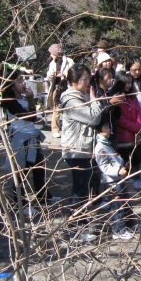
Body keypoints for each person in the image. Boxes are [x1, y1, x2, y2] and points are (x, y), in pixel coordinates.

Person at [59, 64, 104, 243]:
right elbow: (95, 118)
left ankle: (79, 226)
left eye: (88, 79)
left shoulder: (80, 96)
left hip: (83, 149)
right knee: (79, 191)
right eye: (84, 79)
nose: (88, 83)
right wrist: (94, 99)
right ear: (73, 81)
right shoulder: (71, 100)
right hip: (76, 150)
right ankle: (75, 229)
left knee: (83, 189)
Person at [1, 71, 47, 212]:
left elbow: (31, 114)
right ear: (12, 85)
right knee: (22, 171)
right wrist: (34, 113)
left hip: (31, 136)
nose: (24, 83)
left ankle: (42, 196)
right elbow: (27, 116)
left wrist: (31, 100)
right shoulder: (11, 102)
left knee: (39, 167)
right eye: (20, 81)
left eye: (23, 80)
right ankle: (20, 204)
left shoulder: (22, 98)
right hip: (20, 139)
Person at [94, 116, 137, 240]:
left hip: (118, 179)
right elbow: (104, 166)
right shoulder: (100, 147)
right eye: (106, 128)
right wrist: (118, 171)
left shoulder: (106, 144)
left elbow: (114, 160)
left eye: (109, 127)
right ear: (99, 131)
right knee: (117, 207)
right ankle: (118, 230)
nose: (109, 130)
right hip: (112, 181)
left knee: (125, 203)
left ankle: (129, 224)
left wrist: (123, 165)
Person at [114, 71, 141, 190]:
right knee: (125, 161)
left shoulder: (133, 96)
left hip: (135, 135)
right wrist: (136, 127)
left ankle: (136, 178)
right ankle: (124, 183)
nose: (129, 85)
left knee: (136, 159)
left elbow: (139, 111)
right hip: (124, 136)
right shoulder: (117, 97)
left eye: (130, 82)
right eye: (126, 83)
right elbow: (120, 119)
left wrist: (139, 126)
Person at [45, 43, 74, 138]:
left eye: (52, 53)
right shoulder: (52, 63)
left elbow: (73, 74)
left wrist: (64, 75)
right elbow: (49, 74)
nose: (50, 55)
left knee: (69, 109)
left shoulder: (69, 61)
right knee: (56, 109)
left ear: (56, 54)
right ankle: (55, 129)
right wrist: (50, 76)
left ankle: (69, 129)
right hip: (57, 88)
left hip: (67, 87)